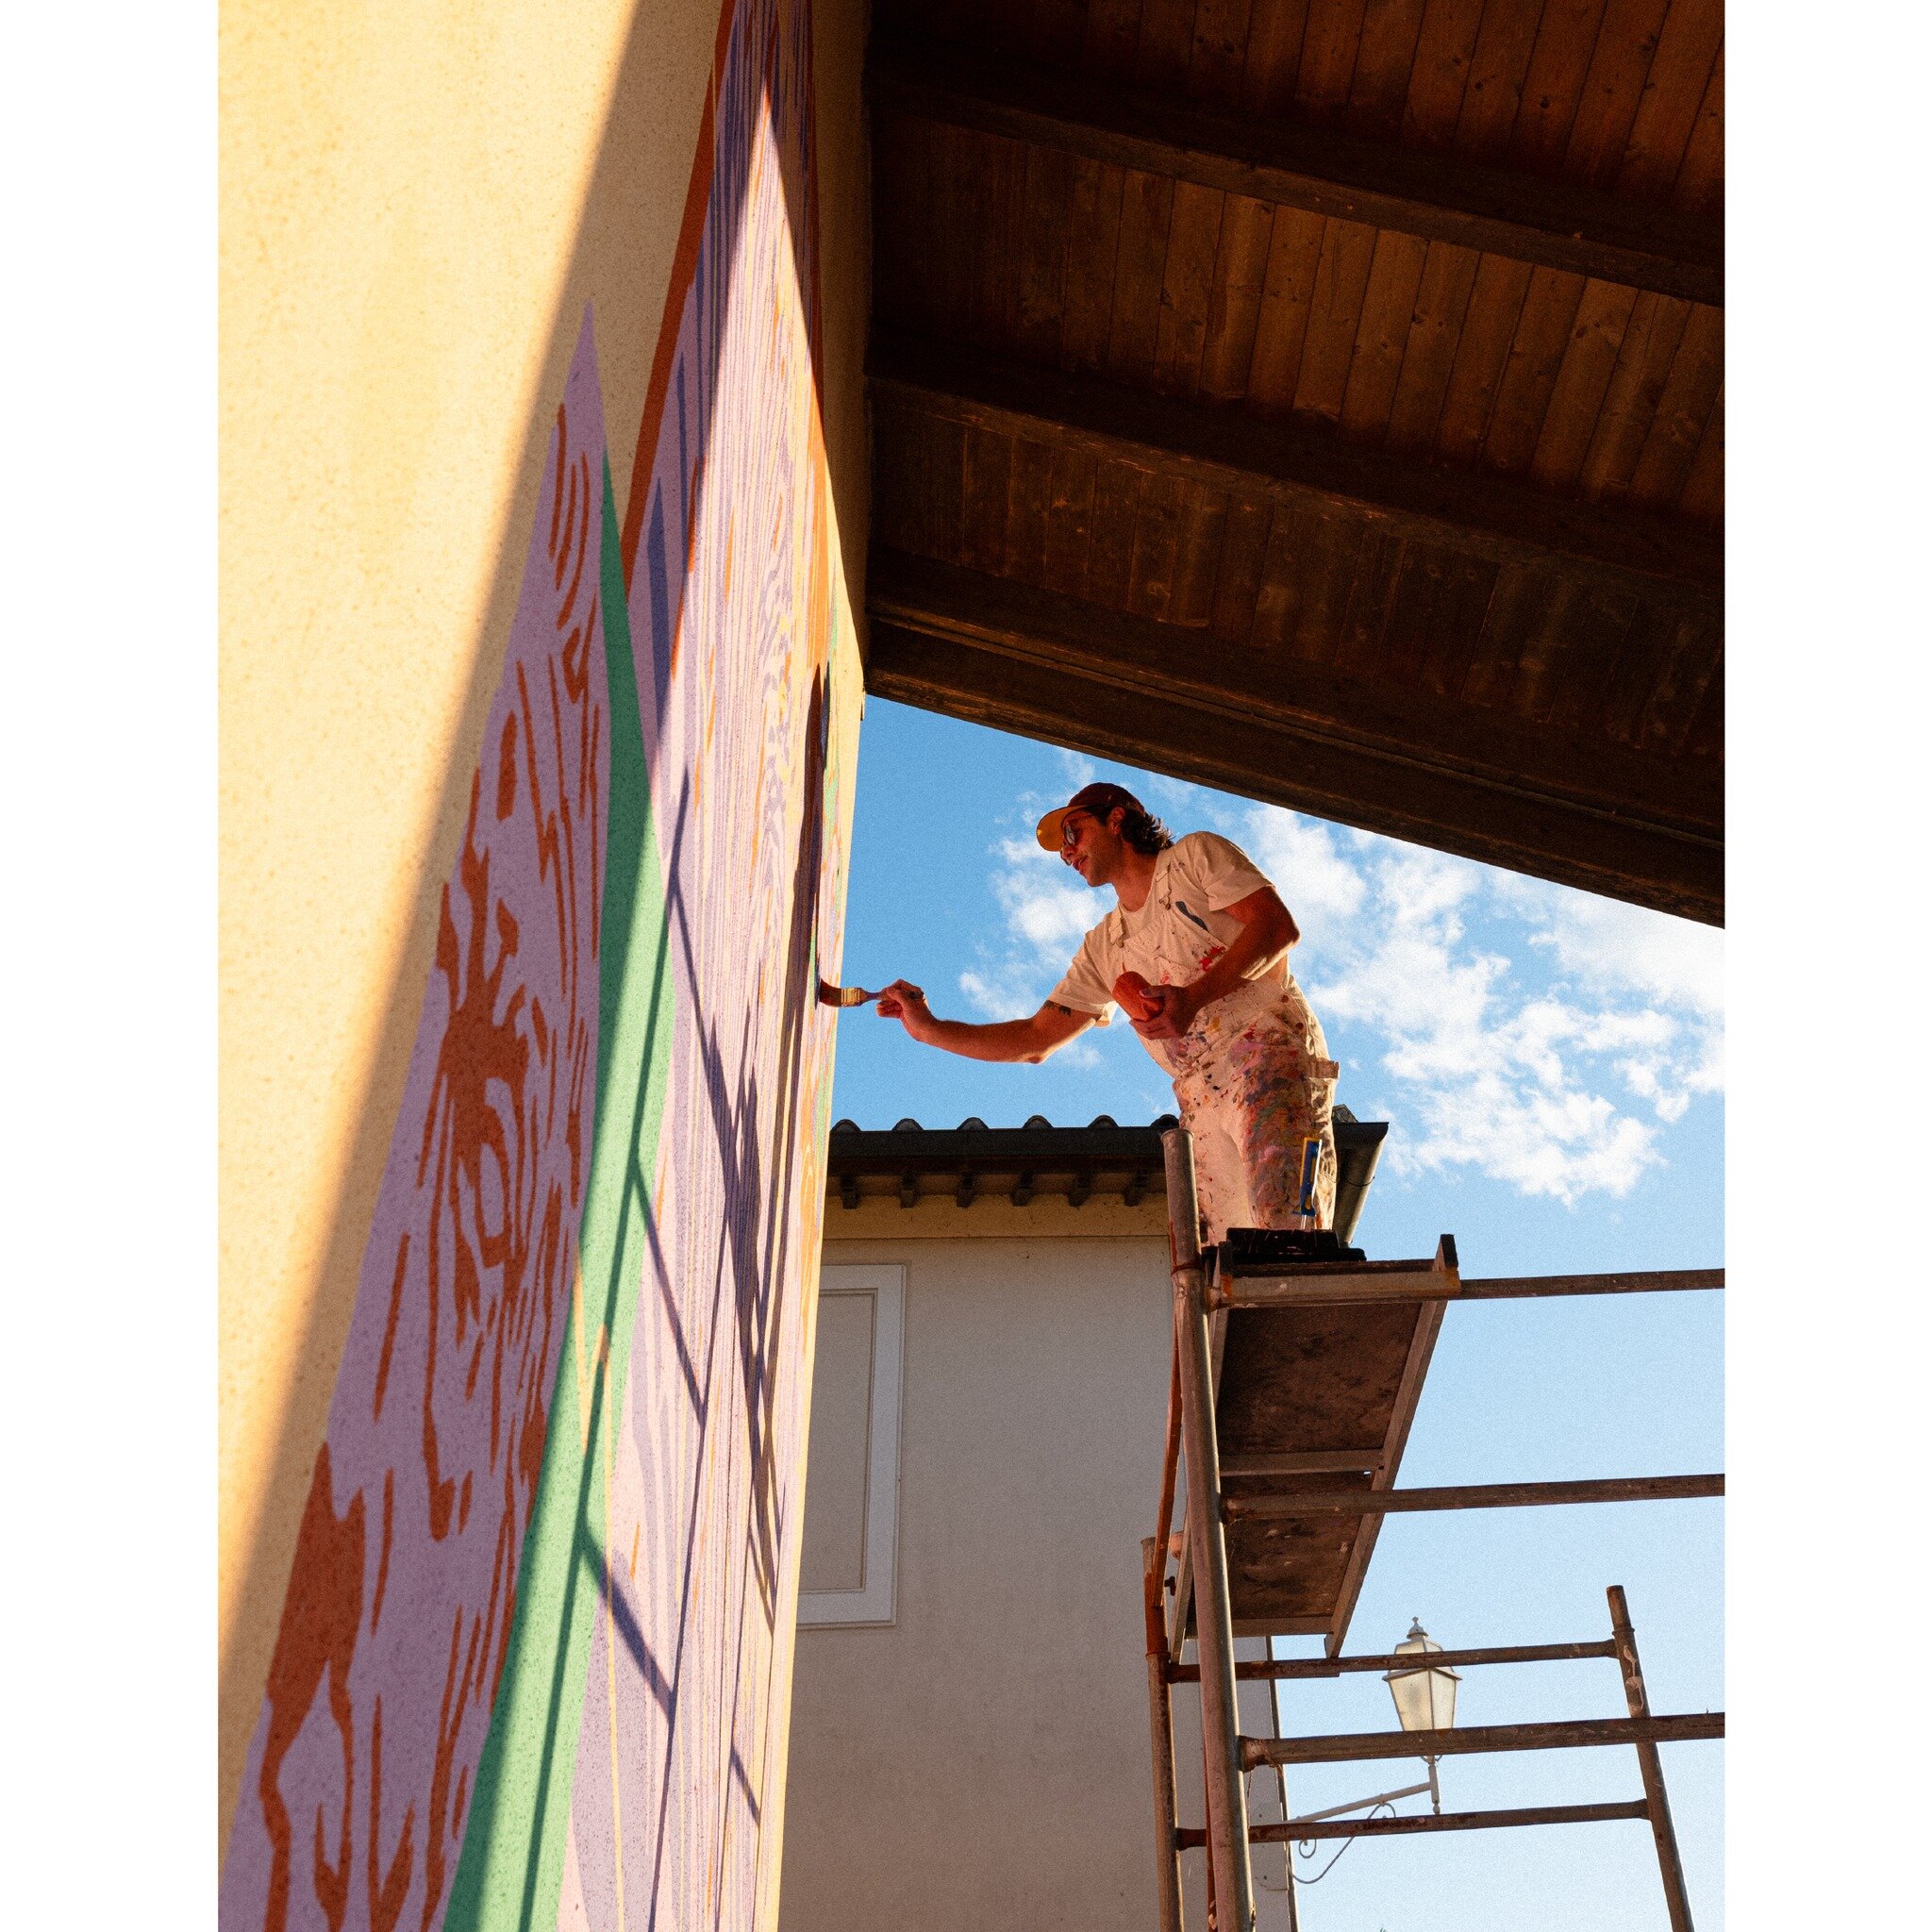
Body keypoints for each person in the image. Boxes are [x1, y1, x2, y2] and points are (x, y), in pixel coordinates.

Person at [875, 782, 1341, 1240]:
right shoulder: (1105, 945)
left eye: (1073, 832)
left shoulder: (1194, 859)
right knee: (1223, 1260)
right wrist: (928, 1029)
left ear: (1116, 818)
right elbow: (1036, 1038)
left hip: (1268, 1054)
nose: (1066, 853)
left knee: (1290, 1227)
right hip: (1201, 1093)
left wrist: (1194, 998)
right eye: (1060, 846)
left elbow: (1276, 927)